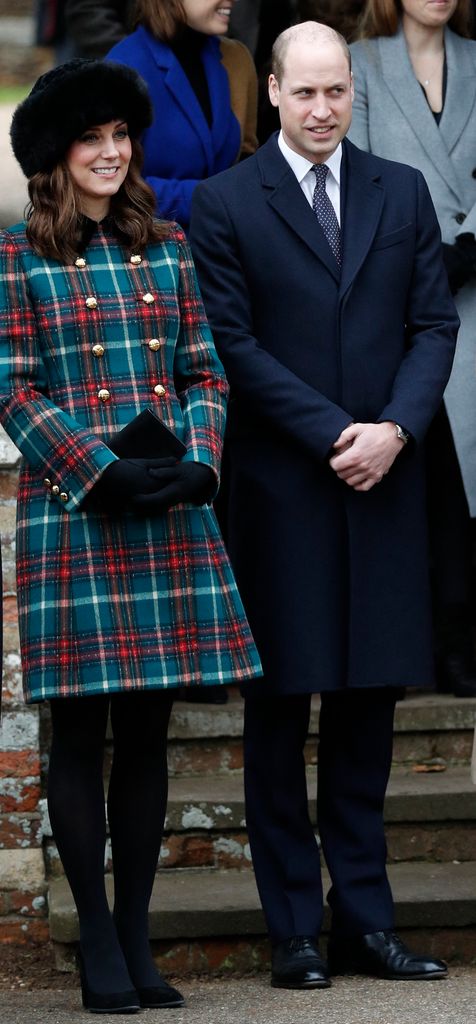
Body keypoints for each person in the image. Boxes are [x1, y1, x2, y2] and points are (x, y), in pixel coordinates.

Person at [190, 20, 458, 989]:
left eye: (335, 92)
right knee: (276, 719)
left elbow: (432, 324)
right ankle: (293, 929)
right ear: (270, 92)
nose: (320, 110)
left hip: (386, 484)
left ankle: (366, 921)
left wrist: (392, 428)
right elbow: (231, 344)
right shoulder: (224, 203)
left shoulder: (402, 191)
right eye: (302, 93)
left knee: (366, 719)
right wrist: (333, 433)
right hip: (283, 493)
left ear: (353, 90)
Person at [2, 58, 261, 1014]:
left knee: (149, 735)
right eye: (92, 140)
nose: (112, 154)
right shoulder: (16, 258)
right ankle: (97, 941)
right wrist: (96, 470)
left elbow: (205, 370)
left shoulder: (169, 247)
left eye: (122, 138)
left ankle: (140, 936)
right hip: (78, 514)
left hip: (166, 510)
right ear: (57, 159)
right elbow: (12, 387)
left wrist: (200, 457)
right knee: (80, 735)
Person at [349, 0, 476, 697]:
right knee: (407, 469)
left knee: (465, 481)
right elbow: (358, 167)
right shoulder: (360, 65)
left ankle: (458, 641)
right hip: (391, 286)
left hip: (472, 281)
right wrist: (425, 256)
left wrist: (467, 245)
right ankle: (405, 641)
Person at [105, 0, 258, 231]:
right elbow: (113, 186)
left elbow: (247, 156)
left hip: (225, 246)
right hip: (152, 249)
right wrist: (212, 198)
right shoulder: (122, 67)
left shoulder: (235, 58)